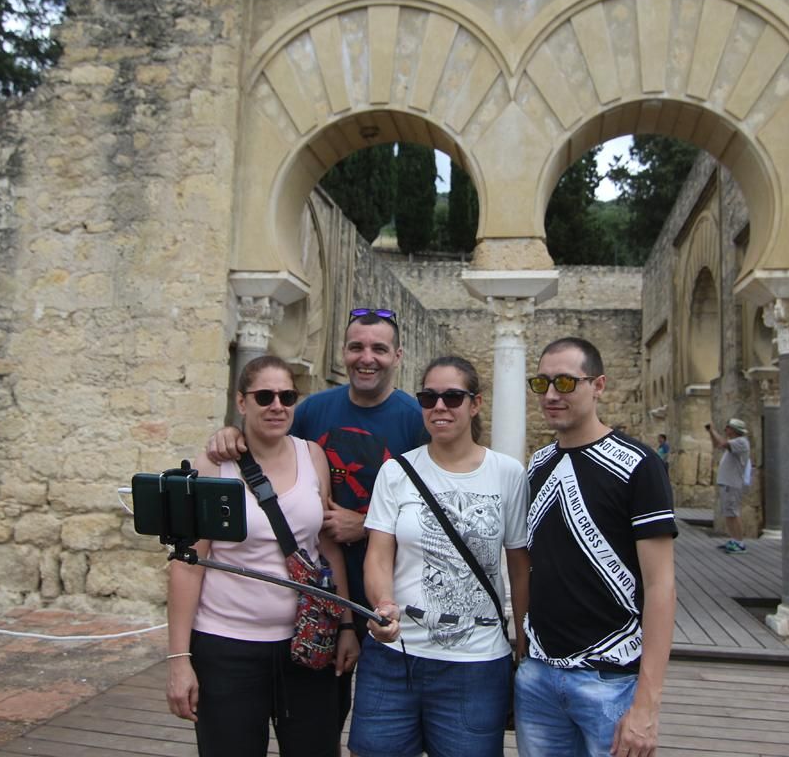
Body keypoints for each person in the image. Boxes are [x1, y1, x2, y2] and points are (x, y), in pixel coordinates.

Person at [205, 308, 427, 729]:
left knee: (386, 724)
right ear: (342, 352)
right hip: (322, 599)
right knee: (323, 715)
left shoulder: (416, 421)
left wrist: (364, 525)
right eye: (356, 346)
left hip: (393, 594)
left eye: (379, 348)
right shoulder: (312, 410)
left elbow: (437, 507)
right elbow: (268, 443)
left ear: (397, 355)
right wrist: (231, 434)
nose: (367, 357)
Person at [167, 355, 360, 756]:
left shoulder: (312, 457)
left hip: (306, 643)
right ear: (242, 402)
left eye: (287, 396)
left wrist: (345, 625)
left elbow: (325, 549)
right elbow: (188, 567)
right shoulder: (214, 466)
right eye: (265, 396)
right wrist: (179, 660)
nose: (277, 405)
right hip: (227, 645)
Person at [351, 355, 529, 757]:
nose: (439, 407)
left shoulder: (507, 474)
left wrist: (524, 639)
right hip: (396, 656)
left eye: (452, 396)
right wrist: (383, 604)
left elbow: (519, 566)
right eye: (429, 397)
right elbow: (378, 556)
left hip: (476, 662)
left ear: (476, 403)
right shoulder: (396, 472)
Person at [517, 337, 677, 757]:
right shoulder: (537, 465)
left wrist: (647, 705)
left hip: (611, 680)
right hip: (539, 675)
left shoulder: (638, 466)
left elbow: (661, 585)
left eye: (567, 383)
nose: (552, 395)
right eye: (543, 383)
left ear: (599, 385)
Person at [706, 418, 751, 554]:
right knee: (728, 513)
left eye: (728, 428)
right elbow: (717, 444)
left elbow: (722, 443)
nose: (725, 430)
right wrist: (710, 433)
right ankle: (734, 539)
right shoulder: (734, 443)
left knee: (733, 512)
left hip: (732, 483)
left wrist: (713, 430)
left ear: (734, 430)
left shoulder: (741, 442)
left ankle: (739, 542)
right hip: (727, 483)